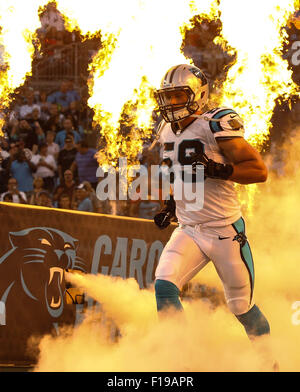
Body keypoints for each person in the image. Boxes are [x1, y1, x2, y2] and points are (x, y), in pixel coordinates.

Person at [152, 64, 274, 368]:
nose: (172, 103)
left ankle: (271, 362)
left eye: (179, 94)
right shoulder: (166, 129)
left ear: (198, 94)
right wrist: (170, 204)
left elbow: (258, 171)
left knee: (242, 308)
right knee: (164, 286)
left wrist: (223, 170)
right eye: (168, 97)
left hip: (224, 230)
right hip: (189, 228)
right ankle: (181, 364)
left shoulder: (215, 124)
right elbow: (176, 174)